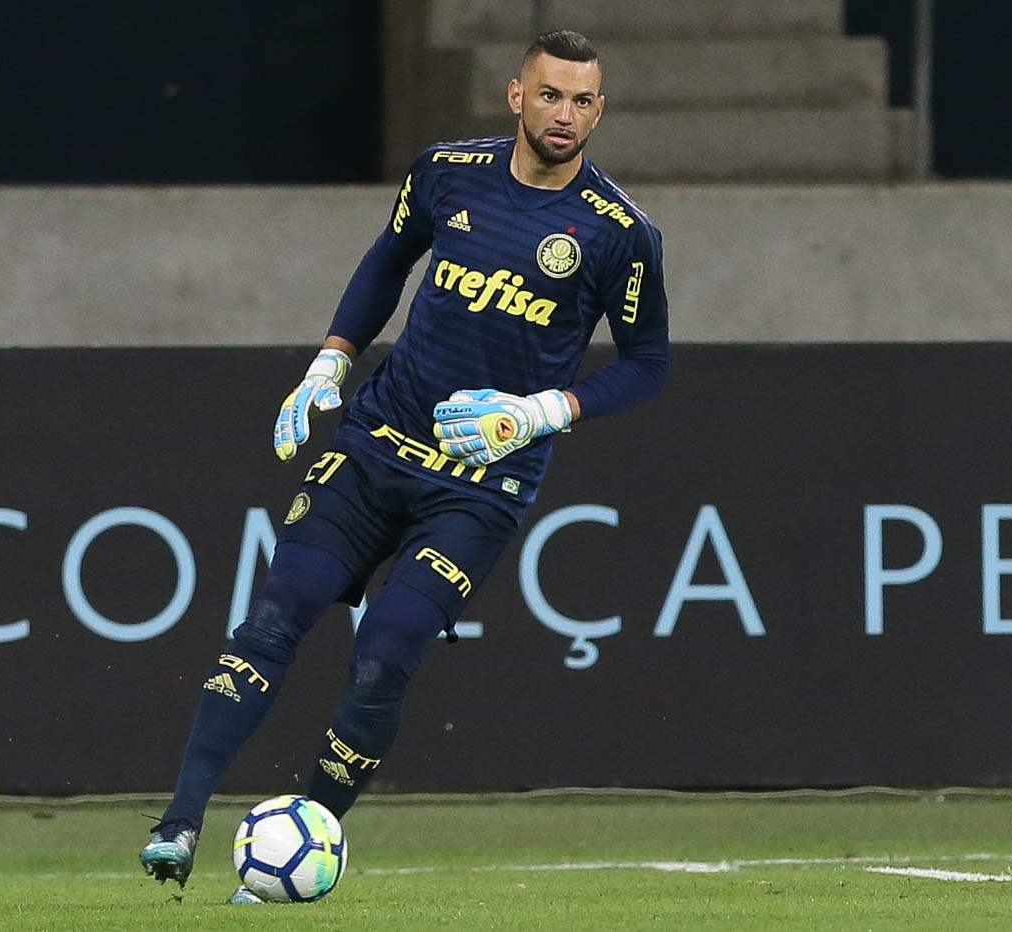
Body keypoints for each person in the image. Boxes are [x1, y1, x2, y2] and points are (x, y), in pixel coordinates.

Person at [139, 28, 669, 900]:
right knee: (278, 613)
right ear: (516, 96)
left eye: (582, 101)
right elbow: (389, 257)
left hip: (483, 483)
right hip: (378, 444)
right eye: (549, 95)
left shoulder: (619, 233)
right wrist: (332, 359)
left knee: (386, 650)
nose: (565, 115)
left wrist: (541, 412)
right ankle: (179, 822)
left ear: (599, 110)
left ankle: (306, 841)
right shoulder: (447, 171)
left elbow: (648, 365)